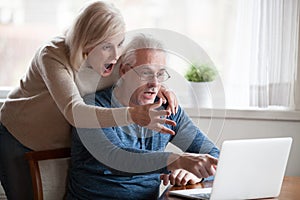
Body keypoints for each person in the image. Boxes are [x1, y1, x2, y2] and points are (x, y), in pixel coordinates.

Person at [0, 2, 178, 200]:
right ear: (86, 43)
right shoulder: (52, 54)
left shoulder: (112, 57)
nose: (116, 54)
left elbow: (135, 71)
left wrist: (158, 85)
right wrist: (132, 115)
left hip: (63, 141)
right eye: (106, 46)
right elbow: (75, 112)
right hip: (20, 137)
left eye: (119, 43)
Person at [66, 34, 220, 200]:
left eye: (160, 74)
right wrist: (177, 160)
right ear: (124, 71)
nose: (154, 84)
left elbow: (214, 156)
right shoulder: (93, 108)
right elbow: (117, 158)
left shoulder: (167, 107)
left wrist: (199, 174)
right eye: (146, 73)